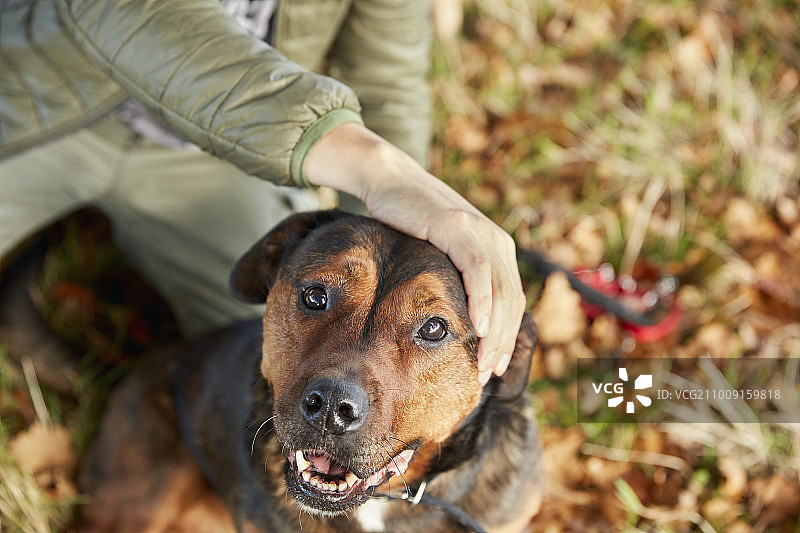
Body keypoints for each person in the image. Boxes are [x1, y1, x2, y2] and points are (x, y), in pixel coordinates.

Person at [0, 0, 524, 385]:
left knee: (282, 347)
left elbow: (385, 83)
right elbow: (131, 12)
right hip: (39, 103)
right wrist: (377, 169)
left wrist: (393, 253)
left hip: (215, 159)